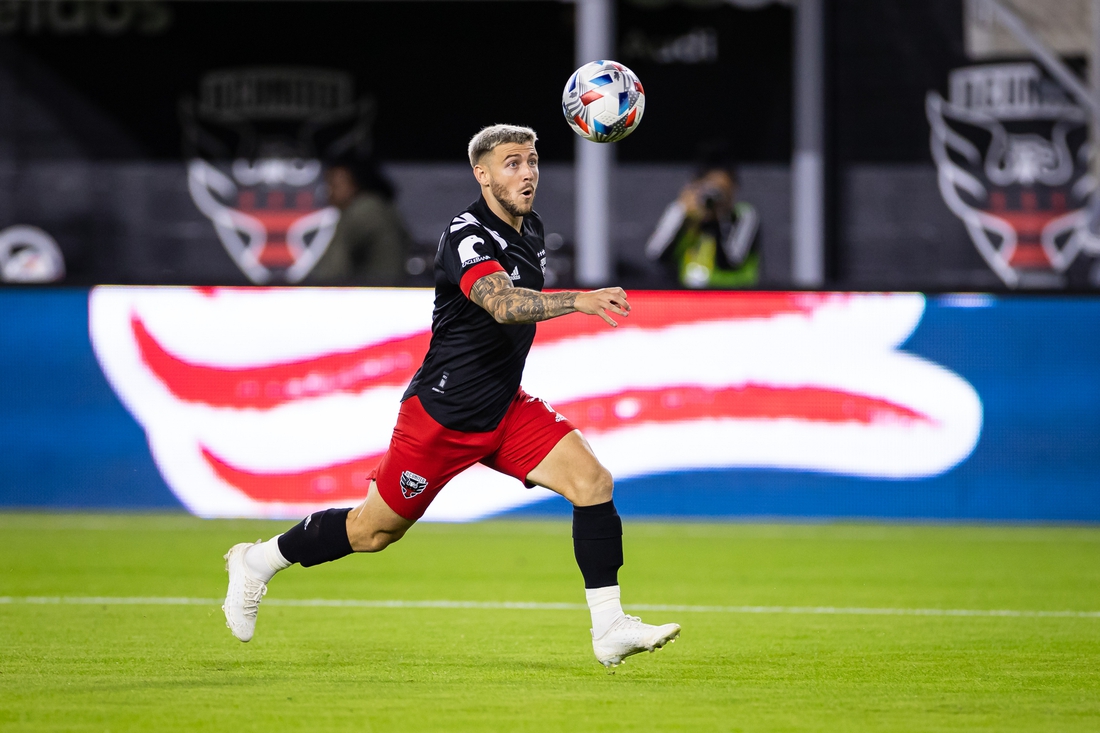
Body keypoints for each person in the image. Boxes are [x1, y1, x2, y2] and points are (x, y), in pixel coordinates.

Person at [223, 124, 681, 669]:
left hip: (504, 407)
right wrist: (576, 300)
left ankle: (609, 627)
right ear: (481, 174)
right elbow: (504, 305)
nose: (527, 172)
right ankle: (257, 561)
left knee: (592, 481)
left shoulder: (529, 228)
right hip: (442, 416)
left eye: (532, 161)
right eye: (512, 163)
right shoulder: (466, 235)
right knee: (371, 533)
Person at [645, 160, 760, 288]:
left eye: (723, 189)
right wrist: (683, 216)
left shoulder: (743, 214)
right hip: (689, 295)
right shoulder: (684, 212)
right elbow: (656, 254)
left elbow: (731, 262)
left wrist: (717, 220)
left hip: (733, 294)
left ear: (733, 189)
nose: (715, 196)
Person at [306, 155, 413, 285]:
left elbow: (330, 273)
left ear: (355, 183)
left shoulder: (363, 211)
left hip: (377, 295)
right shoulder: (380, 206)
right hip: (388, 290)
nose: (328, 192)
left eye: (333, 184)